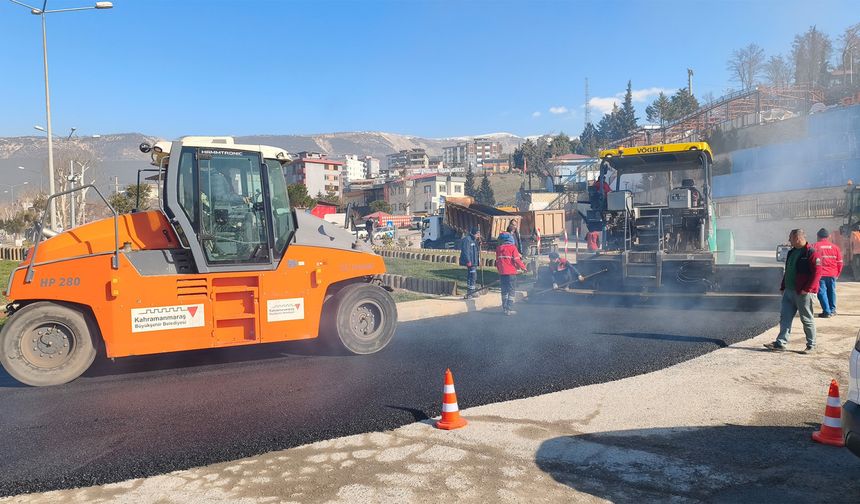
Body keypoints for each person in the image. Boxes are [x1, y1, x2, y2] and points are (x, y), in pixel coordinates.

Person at [764, 229, 821, 353]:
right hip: (789, 291)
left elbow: (817, 273)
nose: (789, 240)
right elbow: (788, 270)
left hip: (803, 293)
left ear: (797, 238)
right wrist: (783, 286)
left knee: (806, 319)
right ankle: (780, 343)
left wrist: (807, 289)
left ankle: (811, 345)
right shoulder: (792, 252)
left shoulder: (811, 252)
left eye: (790, 238)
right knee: (785, 317)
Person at [495, 231, 527, 316]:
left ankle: (504, 308)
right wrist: (524, 268)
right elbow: (517, 260)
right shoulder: (513, 248)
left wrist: (500, 271)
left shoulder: (498, 248)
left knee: (504, 291)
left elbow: (497, 262)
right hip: (511, 273)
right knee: (511, 291)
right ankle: (509, 309)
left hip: (502, 273)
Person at [814, 227, 843, 318]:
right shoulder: (835, 248)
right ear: (828, 236)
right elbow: (840, 263)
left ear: (818, 236)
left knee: (822, 292)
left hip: (820, 274)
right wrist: (837, 273)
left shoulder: (814, 246)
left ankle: (826, 311)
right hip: (832, 274)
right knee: (832, 291)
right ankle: (832, 310)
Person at [459, 227, 480, 299]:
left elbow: (476, 251)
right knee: (472, 276)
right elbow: (466, 251)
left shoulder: (474, 240)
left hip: (474, 262)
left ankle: (472, 290)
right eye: (477, 234)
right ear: (474, 233)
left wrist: (479, 244)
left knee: (473, 276)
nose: (478, 235)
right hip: (470, 262)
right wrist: (468, 261)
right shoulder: (467, 240)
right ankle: (469, 292)